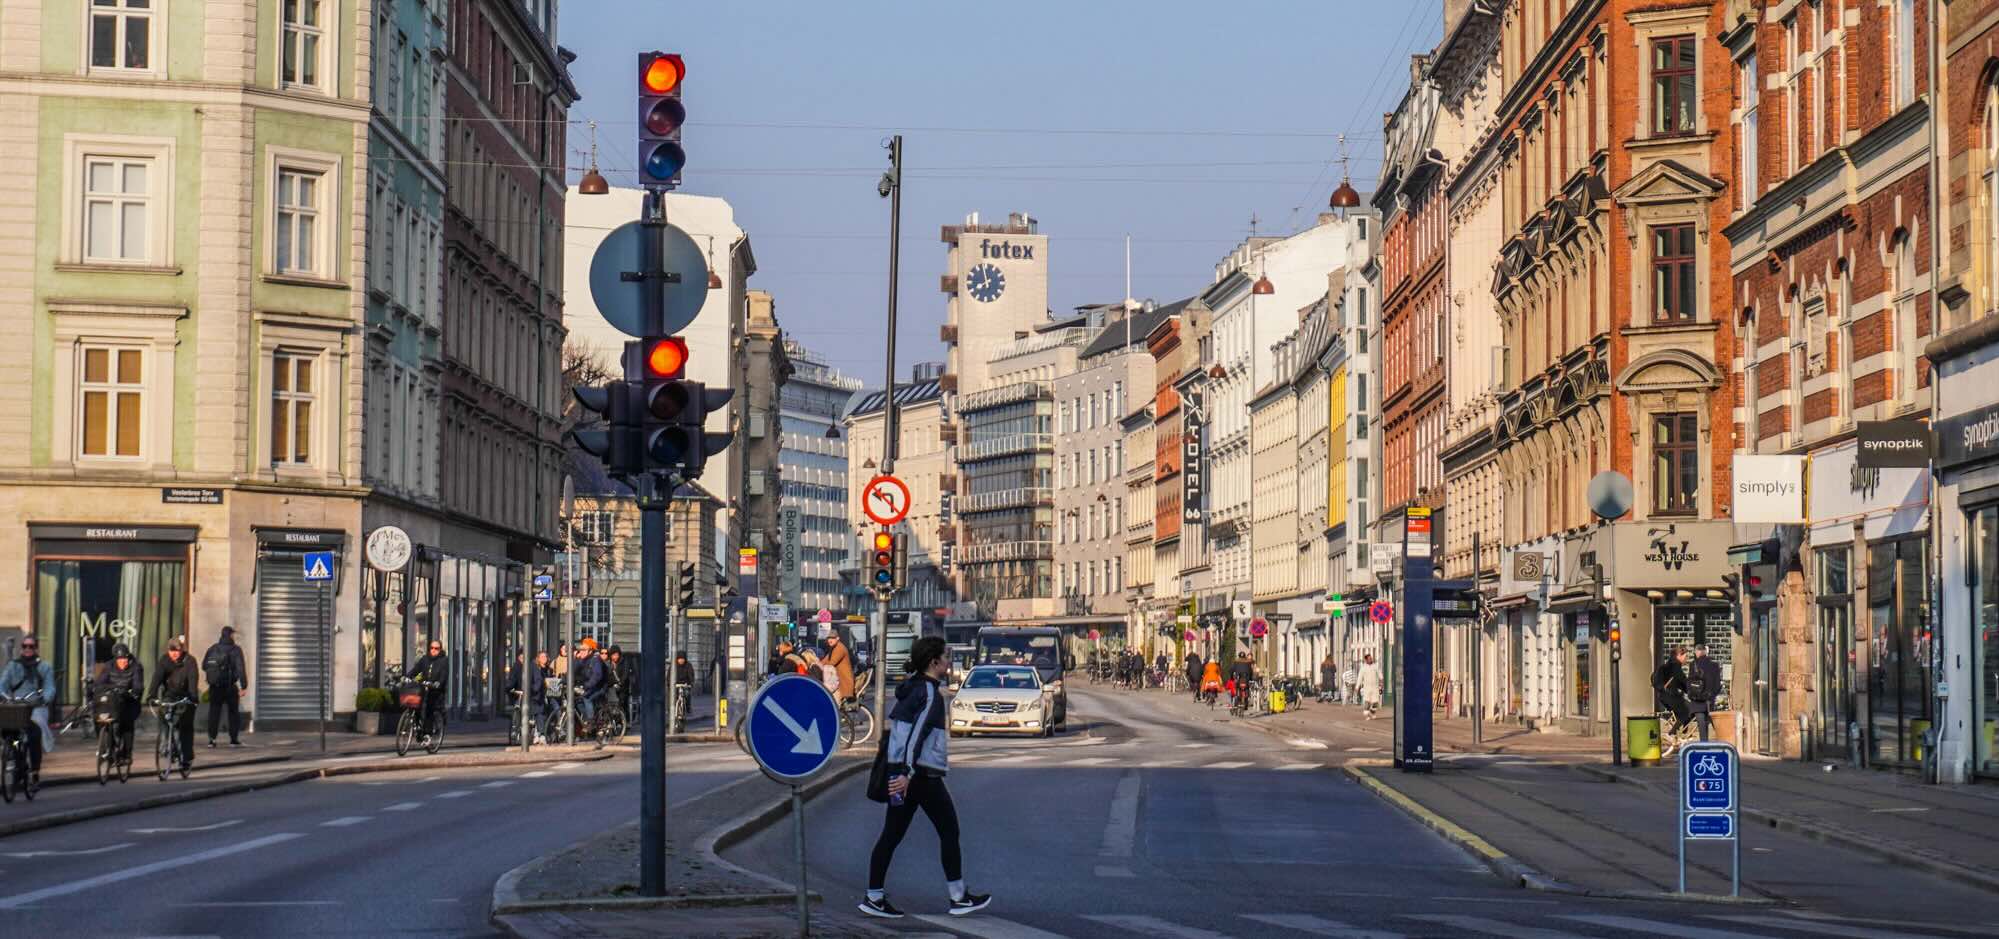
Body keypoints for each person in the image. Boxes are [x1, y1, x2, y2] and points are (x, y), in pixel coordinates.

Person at [860, 636, 989, 920]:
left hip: (902, 773)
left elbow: (902, 734)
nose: (948, 661)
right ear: (934, 662)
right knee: (949, 830)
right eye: (945, 656)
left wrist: (900, 771)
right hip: (919, 776)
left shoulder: (911, 688)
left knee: (891, 835)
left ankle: (874, 896)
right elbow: (915, 736)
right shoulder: (929, 693)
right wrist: (907, 773)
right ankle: (958, 897)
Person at [0, 636, 54, 785]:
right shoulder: (12, 666)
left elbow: (50, 687)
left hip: (35, 705)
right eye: (25, 646)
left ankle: (35, 770)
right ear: (21, 648)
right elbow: (2, 684)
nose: (28, 649)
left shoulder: (44, 667)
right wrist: (4, 695)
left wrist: (44, 698)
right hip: (17, 705)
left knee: (34, 733)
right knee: (12, 733)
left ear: (36, 648)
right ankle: (18, 761)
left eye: (31, 646)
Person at [147, 638, 199, 772]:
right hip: (169, 694)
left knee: (185, 726)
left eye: (177, 650)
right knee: (163, 715)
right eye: (172, 651)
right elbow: (157, 677)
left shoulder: (190, 661)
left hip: (186, 696)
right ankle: (164, 743)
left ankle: (186, 758)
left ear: (182, 649)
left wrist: (193, 697)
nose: (174, 653)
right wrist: (151, 694)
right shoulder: (164, 660)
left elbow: (193, 679)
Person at [91, 642, 145, 762]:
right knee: (99, 717)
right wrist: (95, 688)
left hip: (130, 701)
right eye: (120, 659)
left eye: (125, 658)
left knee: (126, 723)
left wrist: (134, 691)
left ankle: (127, 754)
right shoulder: (109, 666)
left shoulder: (136, 666)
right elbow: (100, 682)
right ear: (115, 659)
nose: (123, 661)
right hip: (113, 701)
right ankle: (105, 747)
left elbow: (138, 685)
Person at [201, 626, 248, 747]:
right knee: (233, 713)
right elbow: (241, 669)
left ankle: (212, 740)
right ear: (231, 635)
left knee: (214, 712)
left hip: (215, 686)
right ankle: (233, 740)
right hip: (229, 686)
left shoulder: (212, 648)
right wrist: (244, 686)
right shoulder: (235, 650)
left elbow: (204, 665)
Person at [405, 640, 450, 740]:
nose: (433, 650)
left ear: (440, 649)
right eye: (432, 648)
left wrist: (438, 683)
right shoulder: (425, 659)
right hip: (423, 687)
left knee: (429, 708)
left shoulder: (444, 661)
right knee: (415, 703)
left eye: (436, 648)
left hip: (436, 690)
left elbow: (444, 675)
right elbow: (416, 669)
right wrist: (408, 676)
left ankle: (427, 734)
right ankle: (417, 727)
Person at [1652, 646, 1692, 741]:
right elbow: (1685, 683)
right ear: (1679, 655)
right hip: (1671, 696)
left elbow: (1681, 684)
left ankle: (1683, 733)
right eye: (1685, 656)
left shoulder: (1665, 666)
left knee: (1688, 710)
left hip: (1665, 696)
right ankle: (1672, 733)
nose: (1686, 659)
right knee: (1686, 712)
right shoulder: (1675, 667)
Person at [1687, 644, 1724, 741]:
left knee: (1702, 725)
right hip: (1709, 699)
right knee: (1715, 724)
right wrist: (1712, 695)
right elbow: (1717, 684)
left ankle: (1704, 744)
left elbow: (1690, 682)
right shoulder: (1714, 665)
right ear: (1705, 652)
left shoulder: (1693, 664)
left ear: (1697, 652)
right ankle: (1724, 740)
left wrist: (1691, 694)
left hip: (1697, 700)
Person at [573, 639, 608, 729]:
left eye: (584, 650)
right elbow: (574, 671)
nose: (581, 651)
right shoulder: (583, 660)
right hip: (590, 686)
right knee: (577, 700)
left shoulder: (595, 660)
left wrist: (586, 685)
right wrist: (576, 659)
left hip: (600, 687)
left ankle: (591, 720)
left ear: (590, 651)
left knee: (586, 697)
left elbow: (597, 676)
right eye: (581, 649)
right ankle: (587, 717)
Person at [823, 630, 856, 704]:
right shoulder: (834, 648)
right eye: (828, 638)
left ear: (838, 638)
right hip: (838, 681)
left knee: (831, 703)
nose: (830, 640)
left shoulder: (840, 648)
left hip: (843, 683)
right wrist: (816, 663)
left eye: (832, 638)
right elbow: (825, 660)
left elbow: (831, 663)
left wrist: (820, 665)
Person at [1358, 653, 1384, 720]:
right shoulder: (1363, 668)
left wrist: (1381, 683)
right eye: (1369, 659)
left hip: (1375, 687)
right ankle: (1366, 715)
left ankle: (1372, 712)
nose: (1371, 659)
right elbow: (1360, 677)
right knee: (1367, 701)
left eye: (1371, 658)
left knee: (1375, 702)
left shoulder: (1375, 666)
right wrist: (1357, 686)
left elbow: (1380, 675)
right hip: (1367, 687)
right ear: (1366, 660)